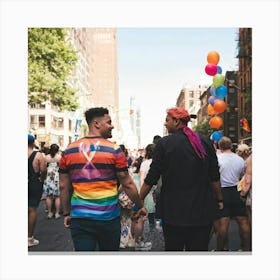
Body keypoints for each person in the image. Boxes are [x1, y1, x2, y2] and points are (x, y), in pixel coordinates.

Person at [59, 107, 147, 251]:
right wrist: (139, 205)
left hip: (80, 218)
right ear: (96, 124)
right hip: (108, 218)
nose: (112, 125)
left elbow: (63, 186)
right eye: (109, 122)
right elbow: (127, 183)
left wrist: (67, 213)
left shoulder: (69, 150)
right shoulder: (114, 150)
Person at [140, 107, 223, 251]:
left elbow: (151, 177)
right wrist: (219, 199)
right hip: (201, 210)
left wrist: (139, 200)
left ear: (176, 121)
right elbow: (214, 176)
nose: (165, 124)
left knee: (174, 250)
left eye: (167, 120)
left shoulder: (164, 144)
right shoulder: (205, 142)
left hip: (173, 212)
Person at [214, 137, 251, 251]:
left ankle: (221, 250)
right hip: (236, 190)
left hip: (222, 192)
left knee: (223, 223)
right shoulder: (240, 160)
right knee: (243, 221)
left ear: (220, 147)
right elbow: (242, 175)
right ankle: (246, 248)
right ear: (231, 146)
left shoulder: (217, 159)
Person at [28, 134, 47, 247]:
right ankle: (29, 238)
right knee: (32, 209)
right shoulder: (38, 155)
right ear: (32, 142)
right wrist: (42, 179)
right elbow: (43, 170)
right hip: (34, 183)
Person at [43, 144, 62, 219]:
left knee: (48, 196)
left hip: (48, 177)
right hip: (57, 177)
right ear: (57, 150)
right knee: (57, 196)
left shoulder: (46, 157)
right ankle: (57, 213)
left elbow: (44, 168)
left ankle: (50, 213)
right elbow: (61, 168)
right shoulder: (59, 157)